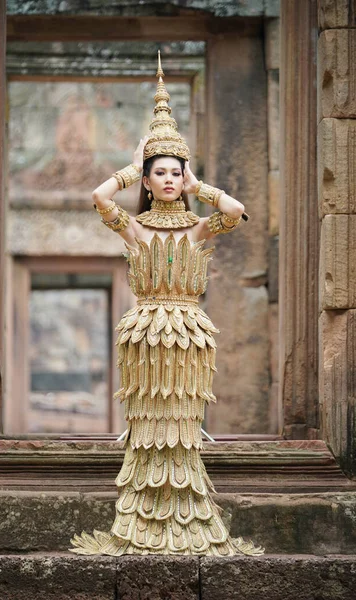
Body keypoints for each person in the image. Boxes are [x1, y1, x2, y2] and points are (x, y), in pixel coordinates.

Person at [70, 53, 263, 556]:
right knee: (148, 419)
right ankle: (143, 515)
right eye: (160, 173)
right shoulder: (136, 229)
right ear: (149, 182)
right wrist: (130, 168)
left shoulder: (198, 225)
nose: (170, 180)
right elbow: (98, 195)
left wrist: (203, 187)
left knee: (181, 423)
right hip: (146, 333)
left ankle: (188, 509)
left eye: (176, 172)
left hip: (190, 333)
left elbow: (237, 211)